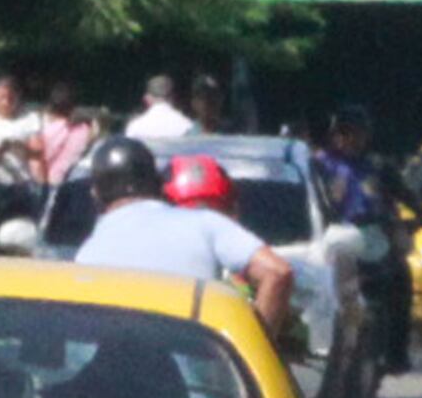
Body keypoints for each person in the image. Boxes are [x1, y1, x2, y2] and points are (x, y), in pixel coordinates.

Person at [62, 133, 295, 327]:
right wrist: (255, 350)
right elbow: (277, 272)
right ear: (157, 184)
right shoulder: (206, 224)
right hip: (199, 377)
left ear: (96, 195)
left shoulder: (87, 255)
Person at [312, 102, 412, 367]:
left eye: (357, 133)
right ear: (334, 134)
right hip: (333, 240)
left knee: (401, 275)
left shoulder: (377, 167)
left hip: (372, 237)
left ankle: (396, 353)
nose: (351, 140)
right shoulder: (319, 166)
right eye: (345, 132)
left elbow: (404, 195)